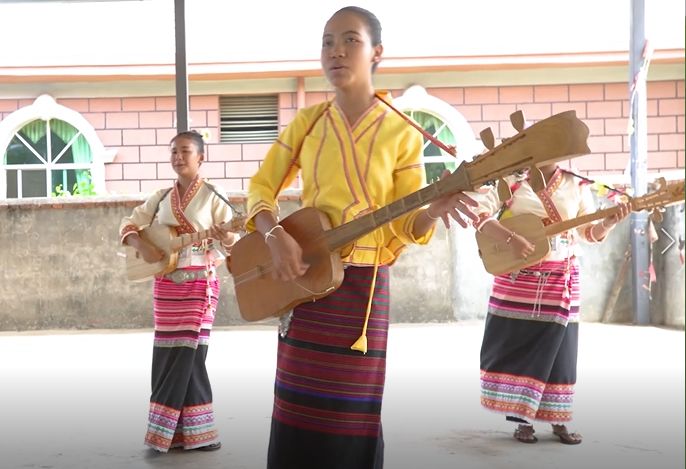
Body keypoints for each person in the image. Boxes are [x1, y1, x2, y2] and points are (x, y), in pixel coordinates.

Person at [244, 6, 477, 468]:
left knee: (353, 412)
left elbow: (406, 224)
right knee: (296, 405)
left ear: (377, 53)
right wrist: (273, 234)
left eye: (350, 40)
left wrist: (432, 211)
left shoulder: (402, 132)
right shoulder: (306, 123)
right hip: (306, 280)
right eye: (328, 41)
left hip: (364, 291)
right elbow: (261, 189)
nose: (336, 51)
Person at [472, 163, 630, 445]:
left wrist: (609, 222)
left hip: (561, 276)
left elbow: (588, 233)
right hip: (518, 279)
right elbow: (480, 215)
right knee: (520, 347)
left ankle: (559, 419)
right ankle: (522, 421)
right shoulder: (512, 179)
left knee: (561, 351)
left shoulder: (576, 183)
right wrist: (511, 238)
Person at [118, 130, 239, 453]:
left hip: (201, 282)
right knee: (168, 354)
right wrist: (142, 245)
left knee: (191, 355)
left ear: (201, 157)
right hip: (166, 284)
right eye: (174, 152)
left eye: (185, 151)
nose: (178, 157)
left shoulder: (215, 195)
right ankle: (175, 435)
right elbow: (128, 225)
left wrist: (224, 236)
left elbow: (231, 243)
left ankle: (194, 433)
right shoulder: (159, 197)